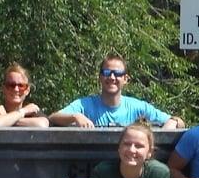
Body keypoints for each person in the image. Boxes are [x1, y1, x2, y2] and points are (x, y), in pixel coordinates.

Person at [49, 53, 182, 128]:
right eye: (107, 72)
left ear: (126, 79)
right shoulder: (84, 106)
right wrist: (75, 116)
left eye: (117, 73)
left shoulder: (138, 107)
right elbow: (53, 118)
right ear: (100, 77)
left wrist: (172, 123)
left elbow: (179, 122)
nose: (112, 77)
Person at [0, 63, 49, 128]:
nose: (16, 89)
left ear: (27, 90)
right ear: (3, 89)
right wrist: (23, 112)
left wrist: (4, 118)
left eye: (21, 86)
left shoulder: (32, 111)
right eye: (11, 85)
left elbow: (42, 124)